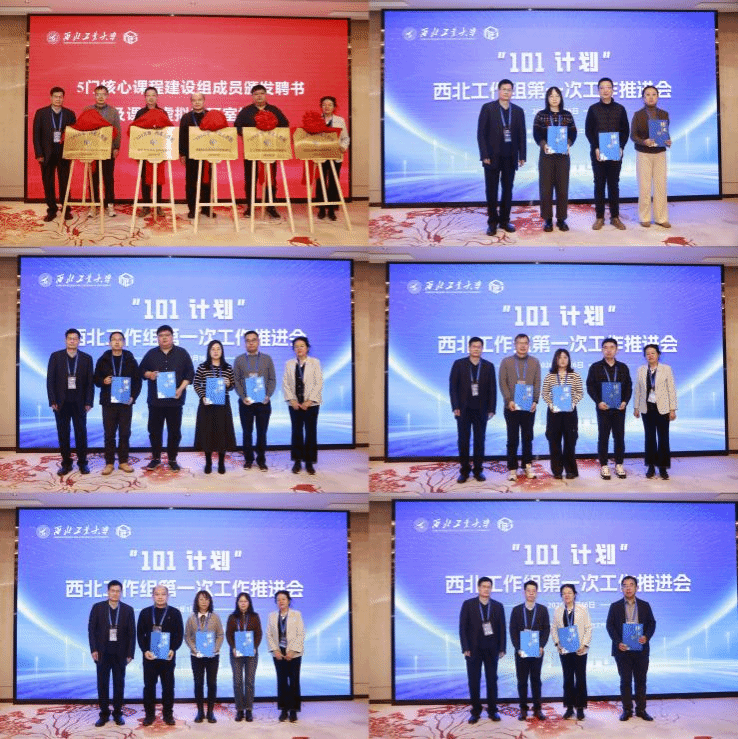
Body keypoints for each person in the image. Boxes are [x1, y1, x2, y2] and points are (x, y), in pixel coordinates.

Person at [139, 324, 194, 472]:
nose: (164, 338)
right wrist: (149, 374)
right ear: (157, 338)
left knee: (174, 432)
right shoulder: (151, 354)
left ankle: (172, 460)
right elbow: (141, 370)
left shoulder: (182, 353)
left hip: (175, 401)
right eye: (161, 335)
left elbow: (190, 374)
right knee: (154, 431)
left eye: (167, 335)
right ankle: (156, 459)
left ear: (172, 337)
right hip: (155, 401)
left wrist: (180, 389)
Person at [477, 79, 526, 236]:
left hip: (510, 157)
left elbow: (522, 135)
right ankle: (492, 223)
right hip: (491, 157)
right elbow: (481, 134)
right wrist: (484, 154)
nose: (506, 92)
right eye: (503, 89)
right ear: (498, 91)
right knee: (491, 190)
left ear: (512, 92)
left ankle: (505, 221)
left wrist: (522, 155)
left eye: (509, 90)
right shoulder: (488, 108)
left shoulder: (518, 111)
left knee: (507, 190)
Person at [606, 576, 656, 722]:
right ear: (621, 588)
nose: (628, 588)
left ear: (636, 588)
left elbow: (652, 623)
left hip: (641, 649)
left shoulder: (645, 605)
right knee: (625, 681)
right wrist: (618, 642)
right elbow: (610, 626)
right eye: (625, 585)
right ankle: (627, 710)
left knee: (641, 681)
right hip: (623, 650)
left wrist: (646, 636)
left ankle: (641, 710)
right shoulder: (615, 606)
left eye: (631, 585)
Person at [235, 84, 289, 218]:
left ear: (266, 95)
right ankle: (250, 206)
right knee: (250, 179)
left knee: (271, 179)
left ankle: (271, 206)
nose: (259, 96)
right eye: (256, 94)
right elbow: (237, 126)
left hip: (270, 150)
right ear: (252, 97)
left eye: (261, 93)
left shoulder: (274, 110)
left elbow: (285, 125)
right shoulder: (246, 111)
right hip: (251, 151)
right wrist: (248, 135)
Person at [88, 580, 136, 727]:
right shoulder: (98, 607)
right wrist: (93, 649)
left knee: (119, 684)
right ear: (108, 592)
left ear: (121, 593)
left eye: (118, 591)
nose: (115, 593)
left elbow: (132, 633)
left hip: (120, 654)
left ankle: (117, 713)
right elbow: (91, 630)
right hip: (102, 652)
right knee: (102, 684)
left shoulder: (128, 609)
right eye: (112, 591)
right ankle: (104, 714)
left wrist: (130, 653)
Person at [458, 576, 506, 724]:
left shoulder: (498, 606)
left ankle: (492, 710)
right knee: (474, 681)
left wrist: (502, 648)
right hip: (473, 649)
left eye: (488, 587)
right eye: (483, 586)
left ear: (491, 589)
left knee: (492, 680)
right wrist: (465, 647)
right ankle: (476, 711)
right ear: (478, 588)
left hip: (492, 649)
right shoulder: (468, 604)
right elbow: (462, 627)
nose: (486, 589)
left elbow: (502, 628)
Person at [449, 336, 497, 483]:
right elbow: (453, 387)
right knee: (463, 440)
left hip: (481, 409)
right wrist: (455, 406)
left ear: (482, 349)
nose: (476, 349)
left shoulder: (488, 366)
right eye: (474, 346)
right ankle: (464, 471)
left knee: (479, 440)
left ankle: (478, 470)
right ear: (469, 348)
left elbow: (492, 389)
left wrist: (492, 408)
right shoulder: (459, 364)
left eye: (479, 347)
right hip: (463, 409)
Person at [93, 331, 142, 475]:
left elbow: (137, 381)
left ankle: (123, 461)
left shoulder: (130, 359)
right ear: (109, 343)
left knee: (125, 433)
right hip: (108, 403)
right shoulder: (103, 359)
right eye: (114, 339)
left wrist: (133, 397)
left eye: (120, 339)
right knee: (109, 434)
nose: (117, 342)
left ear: (124, 342)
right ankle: (109, 463)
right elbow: (95, 379)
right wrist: (103, 381)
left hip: (125, 402)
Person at [46, 328, 94, 475]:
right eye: (70, 338)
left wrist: (89, 402)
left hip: (80, 403)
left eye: (75, 338)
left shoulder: (86, 358)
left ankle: (83, 463)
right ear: (66, 340)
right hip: (61, 403)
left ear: (79, 341)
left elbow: (90, 383)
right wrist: (52, 400)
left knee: (81, 433)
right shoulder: (56, 356)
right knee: (63, 434)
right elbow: (50, 380)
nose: (72, 341)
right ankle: (66, 464)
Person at [585, 77, 630, 230]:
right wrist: (596, 147)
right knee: (599, 184)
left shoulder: (620, 109)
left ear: (612, 90)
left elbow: (625, 131)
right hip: (598, 153)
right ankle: (599, 217)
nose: (605, 90)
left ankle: (615, 217)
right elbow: (589, 131)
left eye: (608, 87)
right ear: (598, 91)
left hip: (615, 152)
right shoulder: (593, 109)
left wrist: (621, 146)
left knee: (613, 184)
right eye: (602, 87)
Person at [137, 584, 184, 727]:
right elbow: (140, 634)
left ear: (167, 596)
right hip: (150, 657)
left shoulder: (175, 613)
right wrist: (145, 650)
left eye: (163, 594)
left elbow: (179, 634)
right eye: (157, 594)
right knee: (149, 687)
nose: (160, 597)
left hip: (167, 657)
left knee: (168, 687)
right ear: (153, 596)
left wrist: (173, 649)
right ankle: (149, 715)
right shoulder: (145, 613)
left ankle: (168, 715)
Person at [586, 338, 632, 480]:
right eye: (605, 347)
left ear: (616, 350)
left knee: (619, 437)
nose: (609, 350)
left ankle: (619, 464)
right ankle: (604, 465)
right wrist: (598, 402)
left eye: (612, 347)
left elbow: (628, 387)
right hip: (603, 408)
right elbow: (590, 386)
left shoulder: (623, 367)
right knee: (603, 436)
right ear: (602, 350)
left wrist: (625, 401)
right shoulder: (595, 367)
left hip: (619, 408)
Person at [533, 86, 577, 232]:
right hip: (546, 155)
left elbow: (573, 133)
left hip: (563, 155)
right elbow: (536, 133)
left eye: (557, 95)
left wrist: (568, 143)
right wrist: (543, 144)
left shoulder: (567, 115)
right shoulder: (541, 115)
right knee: (545, 188)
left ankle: (561, 219)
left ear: (561, 98)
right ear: (547, 98)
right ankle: (547, 219)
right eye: (551, 96)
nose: (554, 98)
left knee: (562, 188)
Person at [499, 334, 541, 482]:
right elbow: (502, 382)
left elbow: (537, 382)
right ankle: (512, 468)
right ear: (515, 344)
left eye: (525, 343)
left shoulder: (535, 362)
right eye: (519, 343)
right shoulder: (506, 361)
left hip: (528, 406)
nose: (522, 346)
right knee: (512, 439)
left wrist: (535, 400)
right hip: (511, 407)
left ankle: (527, 465)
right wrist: (508, 400)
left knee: (527, 438)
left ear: (529, 345)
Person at [233, 331, 276, 471]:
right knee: (247, 432)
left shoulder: (267, 359)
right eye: (248, 340)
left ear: (258, 342)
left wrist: (268, 395)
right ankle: (248, 459)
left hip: (263, 402)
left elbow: (272, 379)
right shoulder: (239, 359)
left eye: (253, 340)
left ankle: (261, 460)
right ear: (245, 343)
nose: (251, 343)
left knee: (262, 433)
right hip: (246, 403)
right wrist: (243, 397)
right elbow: (236, 380)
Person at [633, 343, 677, 480]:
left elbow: (671, 389)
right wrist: (636, 407)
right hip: (647, 409)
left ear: (658, 354)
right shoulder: (641, 370)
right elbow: (638, 389)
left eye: (653, 353)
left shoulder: (666, 369)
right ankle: (651, 466)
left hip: (663, 409)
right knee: (649, 438)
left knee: (663, 438)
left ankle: (663, 468)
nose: (650, 355)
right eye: (647, 354)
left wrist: (672, 409)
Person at [193, 339, 237, 474]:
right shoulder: (202, 367)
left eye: (218, 349)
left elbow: (233, 385)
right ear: (209, 351)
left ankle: (221, 463)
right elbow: (196, 384)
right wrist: (203, 396)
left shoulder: (227, 367)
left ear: (222, 351)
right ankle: (208, 462)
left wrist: (228, 383)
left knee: (222, 433)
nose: (216, 351)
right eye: (213, 349)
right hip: (207, 404)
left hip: (222, 405)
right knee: (207, 433)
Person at [32, 86, 76, 222]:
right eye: (55, 97)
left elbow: (75, 135)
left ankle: (66, 209)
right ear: (51, 97)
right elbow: (36, 135)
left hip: (64, 153)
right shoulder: (41, 113)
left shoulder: (69, 114)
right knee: (48, 182)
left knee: (65, 182)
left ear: (63, 98)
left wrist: (73, 152)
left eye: (60, 97)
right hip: (46, 154)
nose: (58, 99)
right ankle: (51, 210)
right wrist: (39, 153)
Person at [631, 85, 671, 228]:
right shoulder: (638, 115)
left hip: (660, 153)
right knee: (644, 187)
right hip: (643, 153)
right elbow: (633, 135)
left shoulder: (664, 114)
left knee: (661, 186)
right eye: (647, 95)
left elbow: (665, 134)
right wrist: (644, 141)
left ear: (658, 97)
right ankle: (645, 217)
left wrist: (668, 141)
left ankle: (661, 218)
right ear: (643, 98)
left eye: (654, 94)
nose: (651, 97)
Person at [509, 580, 550, 722]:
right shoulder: (516, 610)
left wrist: (542, 646)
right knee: (522, 681)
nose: (531, 593)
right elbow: (513, 630)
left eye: (534, 591)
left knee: (536, 680)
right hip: (521, 651)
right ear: (524, 592)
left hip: (537, 650)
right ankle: (523, 709)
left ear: (537, 593)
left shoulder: (542, 609)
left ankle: (537, 709)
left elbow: (546, 629)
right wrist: (518, 648)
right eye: (528, 590)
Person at [551, 583, 592, 721]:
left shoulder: (582, 609)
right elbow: (554, 628)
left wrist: (584, 645)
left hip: (580, 650)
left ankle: (580, 708)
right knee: (567, 679)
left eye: (569, 592)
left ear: (574, 594)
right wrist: (557, 643)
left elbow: (588, 628)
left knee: (580, 679)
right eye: (564, 593)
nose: (566, 595)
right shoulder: (558, 610)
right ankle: (569, 707)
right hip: (565, 650)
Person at [283, 336, 323, 475]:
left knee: (311, 433)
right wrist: (292, 400)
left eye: (302, 346)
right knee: (296, 432)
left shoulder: (315, 362)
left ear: (307, 348)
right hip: (294, 405)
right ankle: (297, 461)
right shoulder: (289, 364)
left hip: (311, 405)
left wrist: (309, 401)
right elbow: (286, 384)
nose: (299, 349)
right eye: (296, 346)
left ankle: (309, 462)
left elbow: (318, 383)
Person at [542, 348, 583, 479]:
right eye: (560, 357)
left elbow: (580, 392)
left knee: (570, 441)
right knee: (554, 442)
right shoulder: (550, 376)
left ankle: (570, 470)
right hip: (554, 413)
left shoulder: (575, 375)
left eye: (565, 357)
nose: (563, 360)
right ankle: (557, 470)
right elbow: (545, 393)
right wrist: (550, 404)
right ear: (555, 359)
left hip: (570, 412)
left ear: (569, 360)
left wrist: (573, 403)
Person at [184, 590, 224, 724]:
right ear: (197, 601)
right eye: (201, 599)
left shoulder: (215, 617)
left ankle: (210, 712)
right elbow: (187, 636)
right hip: (196, 656)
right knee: (198, 683)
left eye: (206, 599)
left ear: (210, 602)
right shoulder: (191, 618)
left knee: (212, 683)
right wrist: (194, 648)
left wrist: (215, 648)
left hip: (212, 655)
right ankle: (200, 712)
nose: (204, 602)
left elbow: (220, 635)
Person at [266, 590, 305, 723]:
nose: (281, 602)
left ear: (288, 600)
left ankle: (293, 710)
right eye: (278, 600)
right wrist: (275, 650)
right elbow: (269, 635)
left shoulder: (296, 614)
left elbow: (301, 634)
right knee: (282, 681)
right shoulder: (272, 616)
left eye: (283, 599)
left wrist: (292, 651)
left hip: (294, 653)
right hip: (279, 653)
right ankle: (283, 709)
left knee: (293, 681)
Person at [85, 85, 121, 217]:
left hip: (108, 149)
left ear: (107, 96)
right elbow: (83, 128)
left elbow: (117, 130)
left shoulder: (113, 111)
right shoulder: (87, 110)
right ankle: (93, 205)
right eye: (98, 94)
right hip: (92, 150)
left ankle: (110, 205)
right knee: (93, 178)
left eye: (103, 94)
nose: (100, 97)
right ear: (94, 96)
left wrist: (116, 147)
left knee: (108, 178)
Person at [226, 592, 263, 722]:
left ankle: (249, 710)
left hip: (251, 652)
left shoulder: (254, 616)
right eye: (240, 601)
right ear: (237, 603)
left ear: (249, 603)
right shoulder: (232, 617)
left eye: (245, 601)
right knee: (237, 682)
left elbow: (259, 634)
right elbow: (228, 634)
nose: (243, 603)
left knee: (249, 682)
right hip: (236, 653)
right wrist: (233, 647)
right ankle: (239, 710)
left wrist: (255, 646)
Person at [178, 93, 213, 219]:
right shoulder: (186, 117)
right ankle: (192, 209)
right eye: (194, 100)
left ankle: (206, 208)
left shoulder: (210, 115)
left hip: (208, 154)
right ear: (191, 102)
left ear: (204, 101)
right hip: (191, 155)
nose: (197, 102)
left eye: (199, 100)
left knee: (206, 182)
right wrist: (182, 153)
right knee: (191, 183)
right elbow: (182, 136)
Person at [316, 96, 350, 221]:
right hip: (320, 156)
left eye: (329, 105)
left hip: (335, 156)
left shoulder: (340, 120)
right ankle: (321, 208)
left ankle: (331, 209)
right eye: (324, 104)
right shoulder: (316, 119)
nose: (327, 107)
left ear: (334, 107)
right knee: (320, 182)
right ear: (321, 106)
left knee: (333, 182)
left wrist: (343, 147)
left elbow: (345, 138)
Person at [134, 86, 163, 214]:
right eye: (148, 95)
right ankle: (146, 206)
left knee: (158, 180)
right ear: (145, 98)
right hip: (144, 151)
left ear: (157, 97)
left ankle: (158, 205)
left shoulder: (162, 112)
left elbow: (167, 131)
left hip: (158, 151)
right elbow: (135, 132)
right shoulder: (140, 113)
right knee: (144, 179)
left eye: (153, 95)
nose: (151, 98)